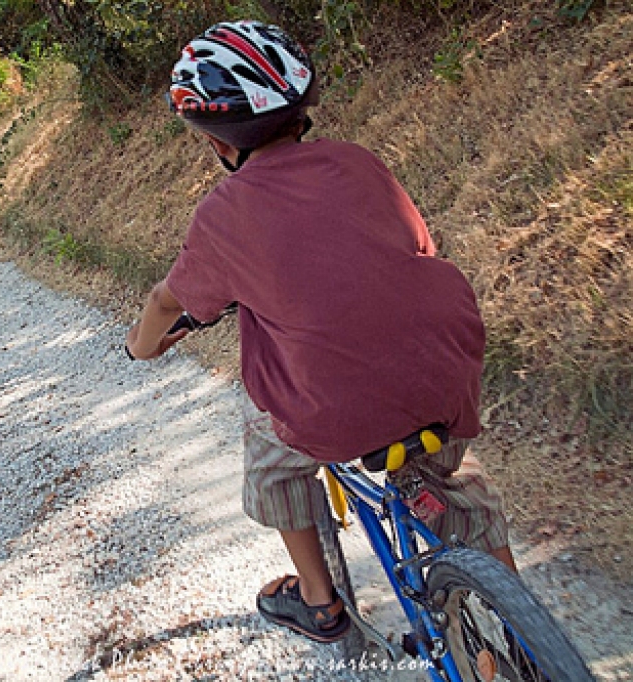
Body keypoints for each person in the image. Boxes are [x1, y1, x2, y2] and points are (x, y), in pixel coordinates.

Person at [125, 21, 516, 643]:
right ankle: (521, 621)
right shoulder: (358, 162)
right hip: (446, 377)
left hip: (336, 418)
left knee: (271, 451)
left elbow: (166, 300)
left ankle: (318, 601)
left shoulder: (224, 214)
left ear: (215, 141)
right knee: (453, 488)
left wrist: (141, 346)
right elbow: (417, 248)